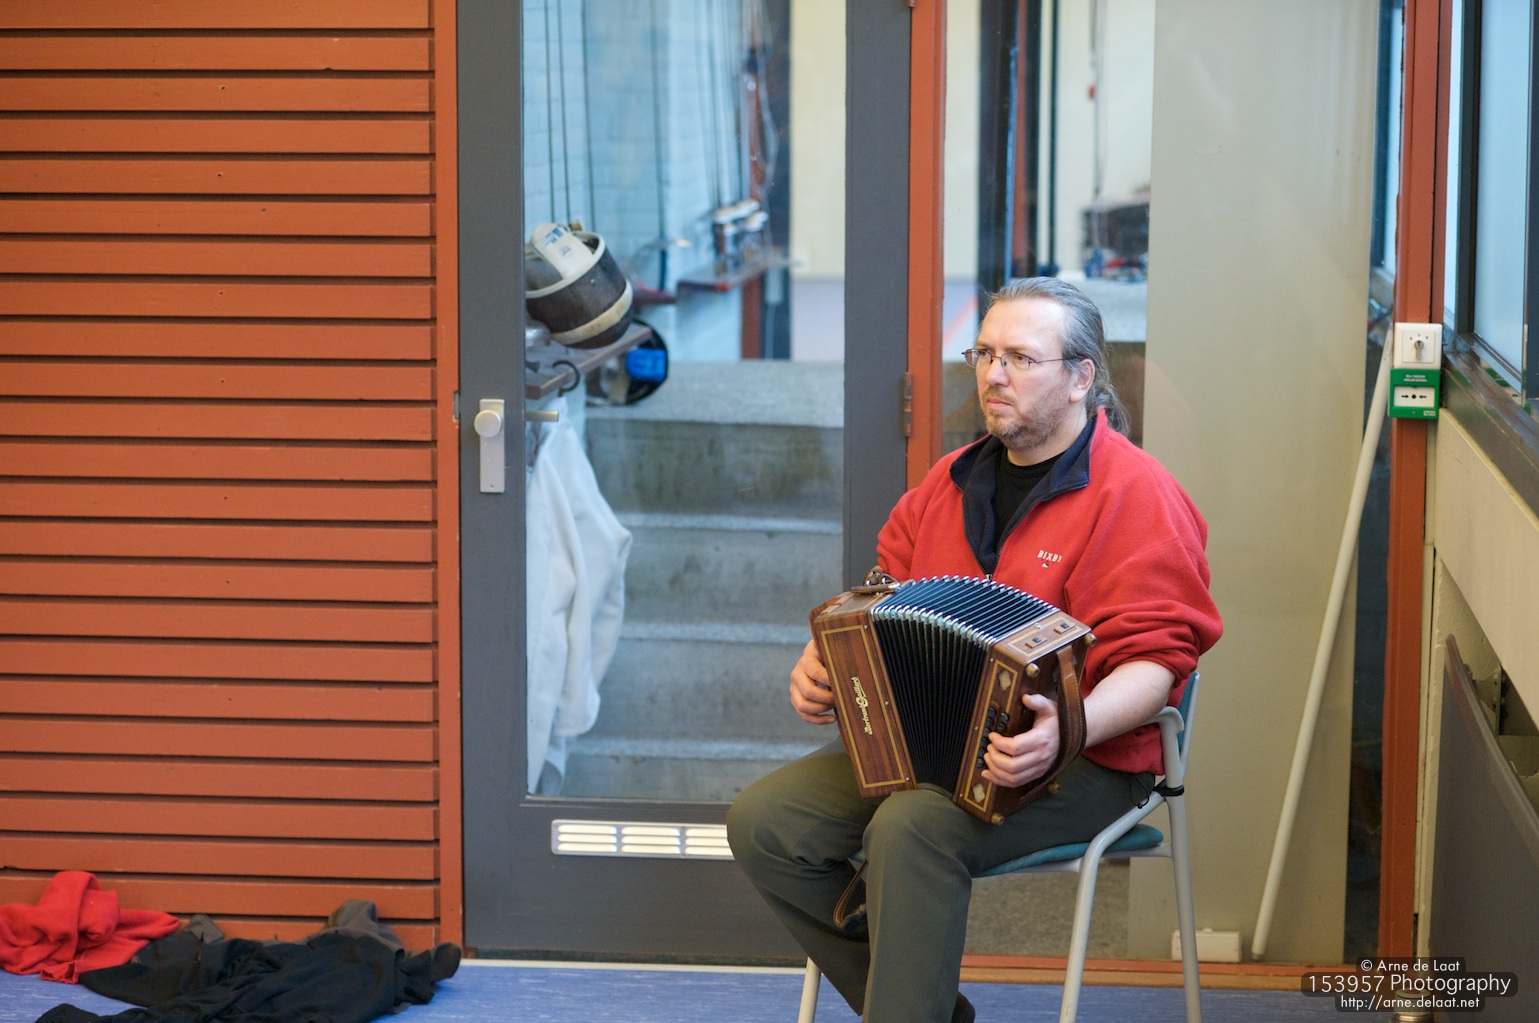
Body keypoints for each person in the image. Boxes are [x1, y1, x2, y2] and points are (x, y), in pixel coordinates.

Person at [726, 277, 1223, 1023]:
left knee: (911, 827)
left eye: (1021, 358)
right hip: (927, 748)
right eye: (985, 353)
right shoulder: (947, 482)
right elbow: (876, 602)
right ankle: (922, 1007)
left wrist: (1069, 727)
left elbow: (1156, 664)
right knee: (766, 822)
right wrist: (824, 661)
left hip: (1084, 759)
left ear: (1080, 377)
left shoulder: (1137, 493)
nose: (994, 374)